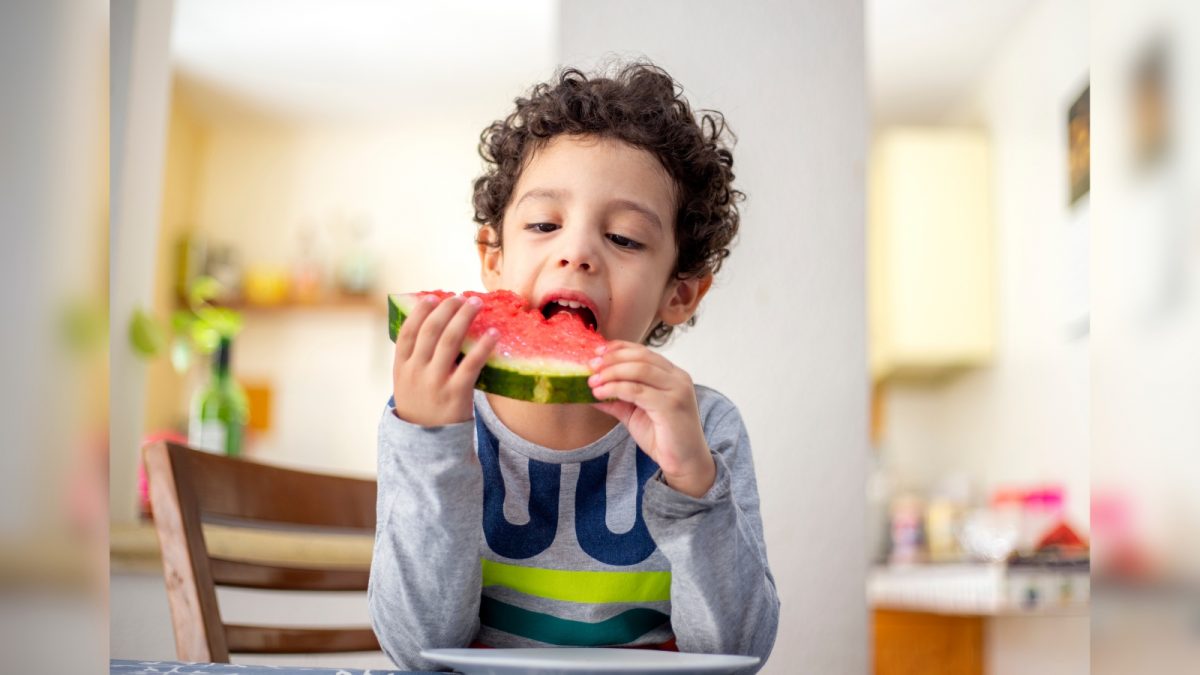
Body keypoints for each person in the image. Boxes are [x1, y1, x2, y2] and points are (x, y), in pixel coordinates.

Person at [369, 61, 779, 672]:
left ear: (681, 292)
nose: (578, 252)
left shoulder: (705, 428)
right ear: (493, 256)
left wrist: (694, 482)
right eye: (543, 224)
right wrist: (432, 445)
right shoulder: (435, 418)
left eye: (625, 238)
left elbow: (737, 655)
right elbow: (415, 649)